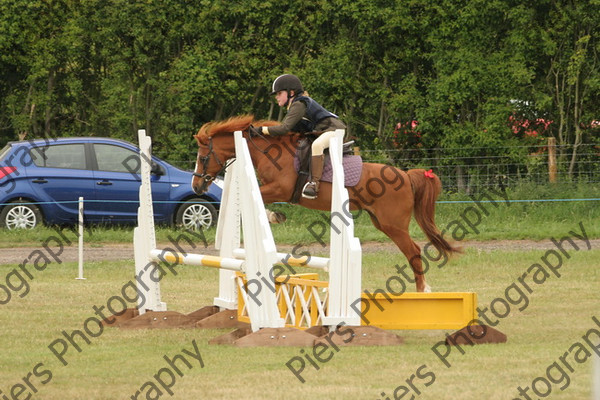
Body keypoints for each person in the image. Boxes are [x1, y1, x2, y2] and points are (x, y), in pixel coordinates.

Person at [249, 74, 345, 199]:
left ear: (291, 92)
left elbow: (284, 128)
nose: (276, 97)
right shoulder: (295, 105)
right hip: (323, 131)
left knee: (317, 145)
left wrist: (261, 130)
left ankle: (314, 184)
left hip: (335, 130)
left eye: (279, 93)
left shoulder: (299, 104)